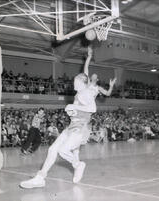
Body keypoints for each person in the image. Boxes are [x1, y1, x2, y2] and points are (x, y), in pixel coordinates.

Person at [20, 45, 116, 189]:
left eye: (75, 82)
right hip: (73, 125)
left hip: (81, 127)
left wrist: (74, 107)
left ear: (83, 83)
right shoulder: (82, 90)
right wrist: (88, 57)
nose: (73, 84)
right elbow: (85, 72)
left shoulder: (88, 92)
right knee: (52, 150)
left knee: (63, 150)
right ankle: (40, 177)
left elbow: (92, 108)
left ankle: (78, 164)